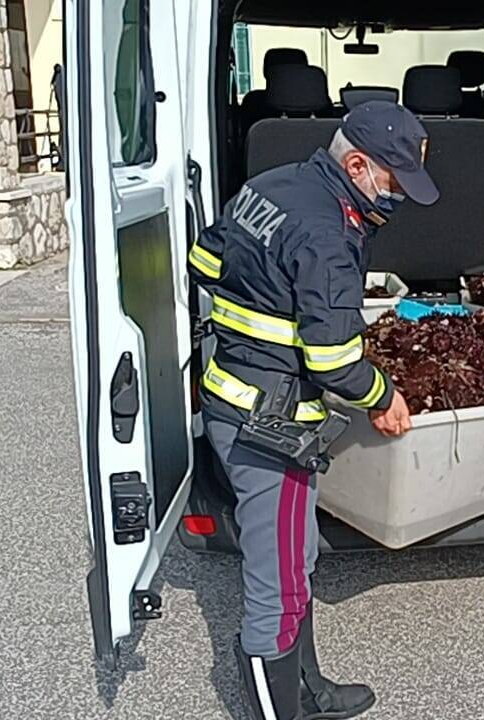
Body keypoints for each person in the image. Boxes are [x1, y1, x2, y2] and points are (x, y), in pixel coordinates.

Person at [187, 101, 431, 720]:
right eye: (394, 182)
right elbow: (332, 363)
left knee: (299, 560)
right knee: (279, 591)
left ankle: (307, 690)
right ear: (356, 163)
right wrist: (384, 396)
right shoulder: (329, 234)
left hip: (231, 397)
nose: (397, 197)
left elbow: (205, 262)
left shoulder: (271, 184)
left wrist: (261, 315)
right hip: (272, 427)